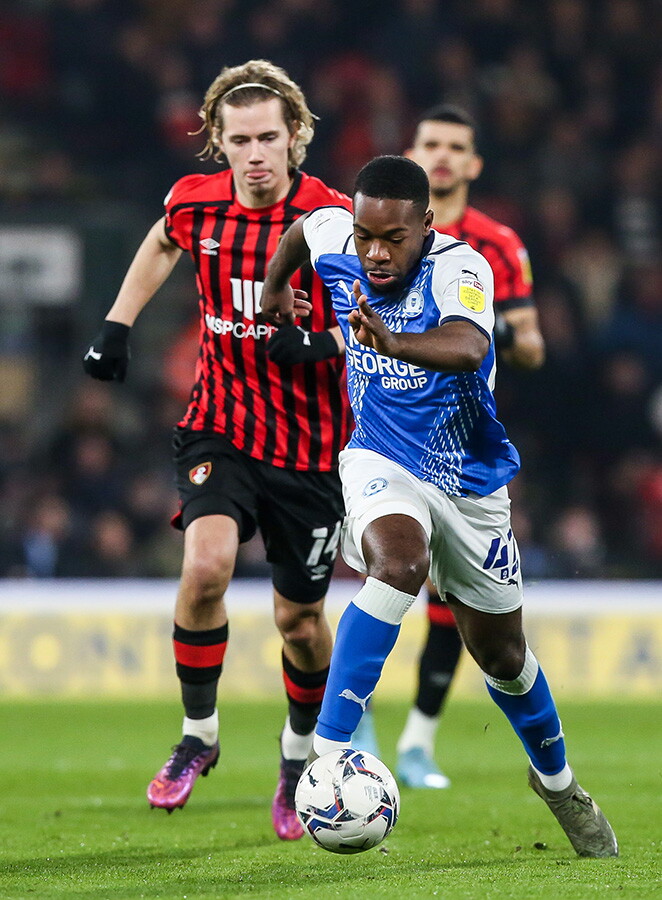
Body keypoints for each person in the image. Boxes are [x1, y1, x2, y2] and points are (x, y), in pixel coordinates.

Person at [261, 155, 618, 858]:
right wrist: (276, 288)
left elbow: (469, 343)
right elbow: (307, 227)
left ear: (426, 225)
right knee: (397, 562)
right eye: (366, 235)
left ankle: (558, 782)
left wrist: (395, 342)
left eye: (393, 238)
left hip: (469, 483)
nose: (374, 252)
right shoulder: (343, 236)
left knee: (504, 657)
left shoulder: (462, 269)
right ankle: (328, 753)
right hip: (380, 459)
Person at [83, 59, 353, 841]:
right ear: (218, 142)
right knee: (205, 567)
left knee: (299, 622)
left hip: (312, 448)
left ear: (297, 136)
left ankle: (299, 755)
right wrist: (117, 324)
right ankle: (198, 736)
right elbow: (164, 240)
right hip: (221, 425)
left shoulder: (333, 217)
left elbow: (377, 322)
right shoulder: (194, 201)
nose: (257, 154)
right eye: (241, 140)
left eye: (271, 136)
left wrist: (323, 340)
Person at [353, 104, 546, 788]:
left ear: (472, 165)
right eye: (430, 142)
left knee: (452, 600)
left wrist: (520, 343)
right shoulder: (374, 234)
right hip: (384, 427)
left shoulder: (496, 246)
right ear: (414, 151)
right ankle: (359, 722)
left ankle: (417, 741)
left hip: (461, 442)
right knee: (383, 565)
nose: (441, 153)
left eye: (455, 146)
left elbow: (527, 336)